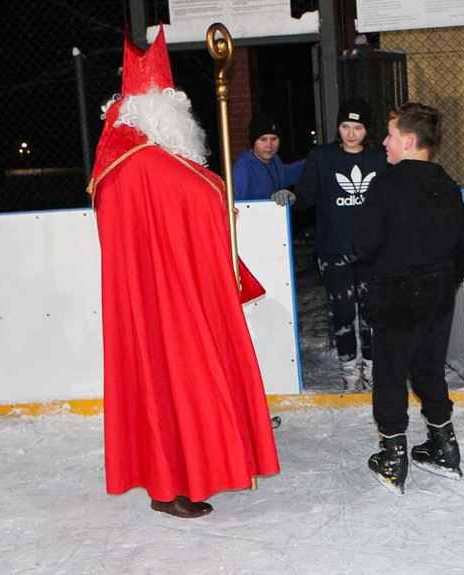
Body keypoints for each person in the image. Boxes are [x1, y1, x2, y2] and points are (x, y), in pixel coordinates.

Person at [88, 27, 280, 518]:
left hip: (159, 292)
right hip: (166, 296)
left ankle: (177, 478)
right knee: (176, 381)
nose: (185, 113)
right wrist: (217, 194)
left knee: (170, 383)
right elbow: (200, 191)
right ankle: (171, 484)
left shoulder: (126, 153)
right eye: (177, 105)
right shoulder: (137, 157)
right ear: (156, 108)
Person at [353, 102, 464, 495]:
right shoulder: (447, 183)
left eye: (390, 135)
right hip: (439, 293)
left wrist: (384, 267)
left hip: (396, 294)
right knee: (428, 368)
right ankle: (444, 446)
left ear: (408, 141)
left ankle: (392, 455)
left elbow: (365, 243)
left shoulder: (385, 183)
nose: (385, 143)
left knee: (391, 372)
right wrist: (446, 278)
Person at [279, 96, 388, 391]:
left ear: (367, 130)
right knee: (341, 311)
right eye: (345, 126)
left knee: (371, 311)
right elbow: (307, 195)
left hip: (372, 249)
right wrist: (292, 197)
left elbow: (395, 194)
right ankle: (350, 371)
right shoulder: (323, 157)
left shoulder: (380, 157)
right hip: (333, 247)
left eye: (357, 127)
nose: (351, 133)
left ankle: (373, 367)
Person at [231, 113, 305, 203]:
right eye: (263, 139)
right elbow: (238, 207)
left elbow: (291, 173)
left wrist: (315, 159)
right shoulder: (243, 168)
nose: (269, 145)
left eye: (274, 139)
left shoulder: (275, 161)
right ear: (253, 142)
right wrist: (270, 200)